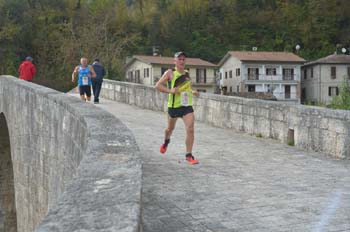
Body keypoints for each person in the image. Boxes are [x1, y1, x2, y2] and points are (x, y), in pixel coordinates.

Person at [155, 51, 200, 165]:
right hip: (174, 107)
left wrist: (193, 92)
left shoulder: (187, 74)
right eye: (179, 59)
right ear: (174, 61)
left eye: (183, 59)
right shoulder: (170, 73)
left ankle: (189, 155)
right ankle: (166, 142)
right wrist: (170, 90)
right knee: (169, 129)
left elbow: (187, 88)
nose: (182, 61)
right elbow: (158, 86)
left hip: (186, 106)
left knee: (190, 128)